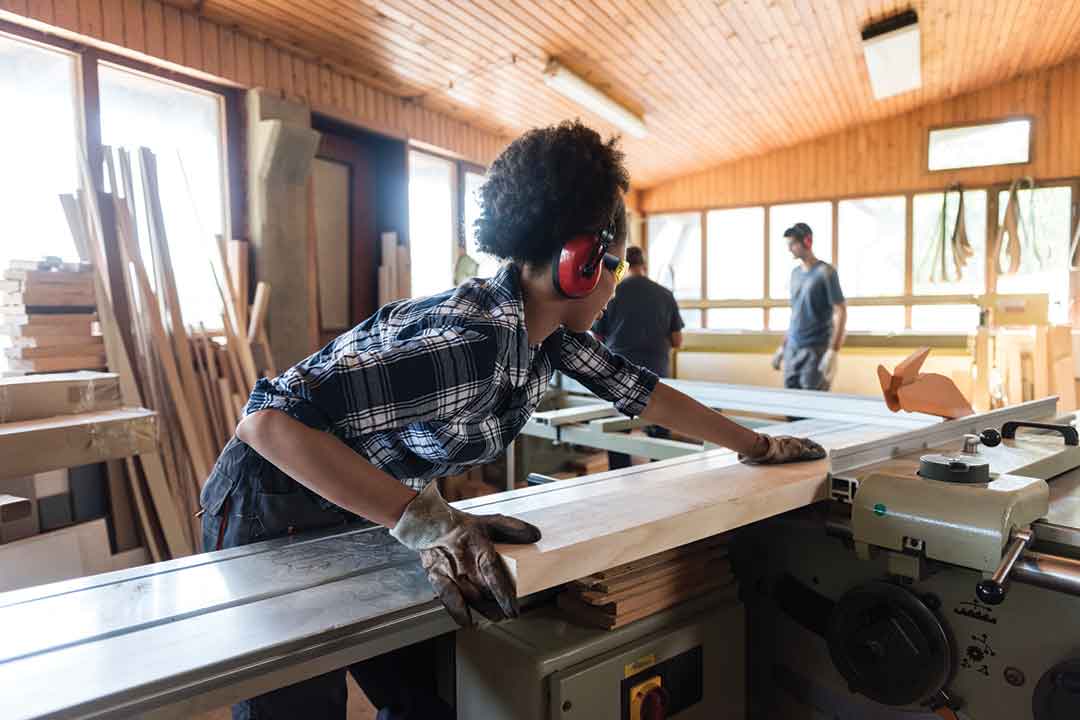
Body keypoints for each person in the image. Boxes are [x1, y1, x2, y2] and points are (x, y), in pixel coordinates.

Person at [199, 121, 826, 720]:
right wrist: (427, 521)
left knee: (424, 692)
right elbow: (268, 423)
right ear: (578, 263)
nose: (613, 286)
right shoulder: (470, 346)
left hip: (358, 491)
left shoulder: (544, 333)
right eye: (610, 266)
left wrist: (757, 445)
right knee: (301, 701)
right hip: (273, 499)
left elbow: (643, 393)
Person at [591, 245, 683, 469]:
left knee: (616, 429)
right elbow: (677, 340)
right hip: (656, 372)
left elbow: (596, 334)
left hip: (619, 371)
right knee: (660, 425)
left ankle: (618, 473)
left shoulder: (612, 292)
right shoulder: (665, 294)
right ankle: (660, 471)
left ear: (623, 266)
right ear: (645, 266)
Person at [771, 222, 847, 391]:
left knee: (811, 405)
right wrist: (782, 347)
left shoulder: (826, 273)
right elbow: (795, 313)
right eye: (788, 245)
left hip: (816, 350)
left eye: (793, 244)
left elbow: (840, 311)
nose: (789, 249)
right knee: (791, 407)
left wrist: (833, 351)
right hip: (793, 347)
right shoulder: (795, 274)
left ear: (807, 242)